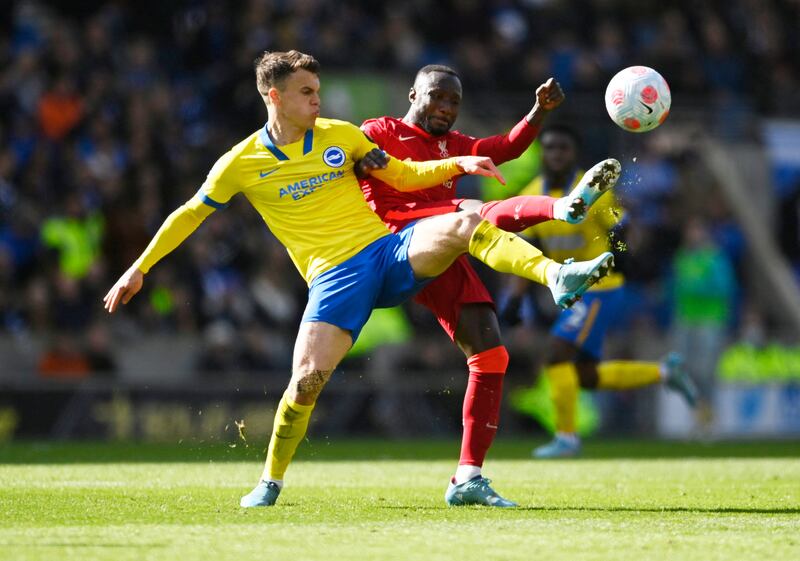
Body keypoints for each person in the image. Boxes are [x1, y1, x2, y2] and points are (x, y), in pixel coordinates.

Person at [103, 50, 614, 508]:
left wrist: (462, 160)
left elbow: (404, 176)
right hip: (334, 277)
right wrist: (139, 267)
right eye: (307, 93)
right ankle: (269, 481)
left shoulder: (343, 136)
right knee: (305, 383)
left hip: (388, 252)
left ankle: (557, 274)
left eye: (319, 91)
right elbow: (190, 214)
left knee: (465, 220)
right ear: (274, 96)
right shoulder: (241, 163)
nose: (317, 101)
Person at [357, 64, 622, 505]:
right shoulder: (379, 129)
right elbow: (351, 155)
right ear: (411, 95)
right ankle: (564, 211)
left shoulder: (453, 145)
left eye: (454, 102)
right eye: (437, 97)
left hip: (443, 241)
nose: (445, 108)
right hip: (395, 240)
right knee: (472, 208)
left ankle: (467, 477)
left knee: (492, 356)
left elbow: (505, 148)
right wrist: (358, 156)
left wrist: (537, 111)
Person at [500, 124, 697, 458]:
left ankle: (567, 438)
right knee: (586, 376)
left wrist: (627, 256)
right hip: (570, 292)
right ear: (542, 154)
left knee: (555, 354)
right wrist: (516, 299)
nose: (556, 154)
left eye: (563, 148)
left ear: (574, 153)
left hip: (601, 286)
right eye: (550, 148)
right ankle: (664, 372)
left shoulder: (594, 191)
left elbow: (623, 229)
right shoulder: (533, 195)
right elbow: (530, 249)